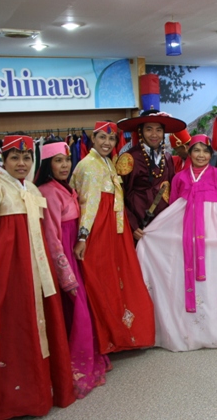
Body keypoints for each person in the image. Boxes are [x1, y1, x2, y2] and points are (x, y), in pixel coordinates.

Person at [0, 134, 75, 419]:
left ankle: (38, 395)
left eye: (26, 158)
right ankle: (12, 400)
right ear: (4, 160)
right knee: (14, 333)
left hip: (38, 271)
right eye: (15, 157)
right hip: (9, 273)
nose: (21, 163)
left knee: (40, 330)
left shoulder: (33, 189)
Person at [136, 135, 217, 352]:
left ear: (211, 154)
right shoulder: (179, 178)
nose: (201, 155)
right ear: (189, 152)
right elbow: (173, 209)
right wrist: (153, 233)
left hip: (215, 233)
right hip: (186, 234)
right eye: (196, 150)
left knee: (214, 280)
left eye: (205, 151)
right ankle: (189, 330)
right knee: (185, 276)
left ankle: (216, 325)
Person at [70, 121, 155, 354]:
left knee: (116, 278)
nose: (107, 143)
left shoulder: (107, 162)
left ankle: (122, 335)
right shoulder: (88, 165)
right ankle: (103, 339)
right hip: (99, 227)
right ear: (93, 139)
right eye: (102, 138)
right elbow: (87, 204)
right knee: (99, 280)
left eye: (111, 139)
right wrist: (83, 236)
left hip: (114, 225)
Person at [36, 140, 109, 398]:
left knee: (82, 310)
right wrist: (64, 274)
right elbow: (51, 237)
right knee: (75, 310)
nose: (65, 165)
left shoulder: (64, 188)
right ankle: (71, 366)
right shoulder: (47, 192)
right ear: (48, 164)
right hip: (63, 256)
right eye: (58, 161)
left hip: (74, 252)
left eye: (67, 160)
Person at [116, 110, 186, 240]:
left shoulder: (167, 157)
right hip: (139, 227)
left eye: (159, 130)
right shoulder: (129, 158)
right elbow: (118, 195)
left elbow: (173, 190)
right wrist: (132, 224)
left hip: (165, 224)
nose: (154, 134)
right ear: (141, 131)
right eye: (149, 129)